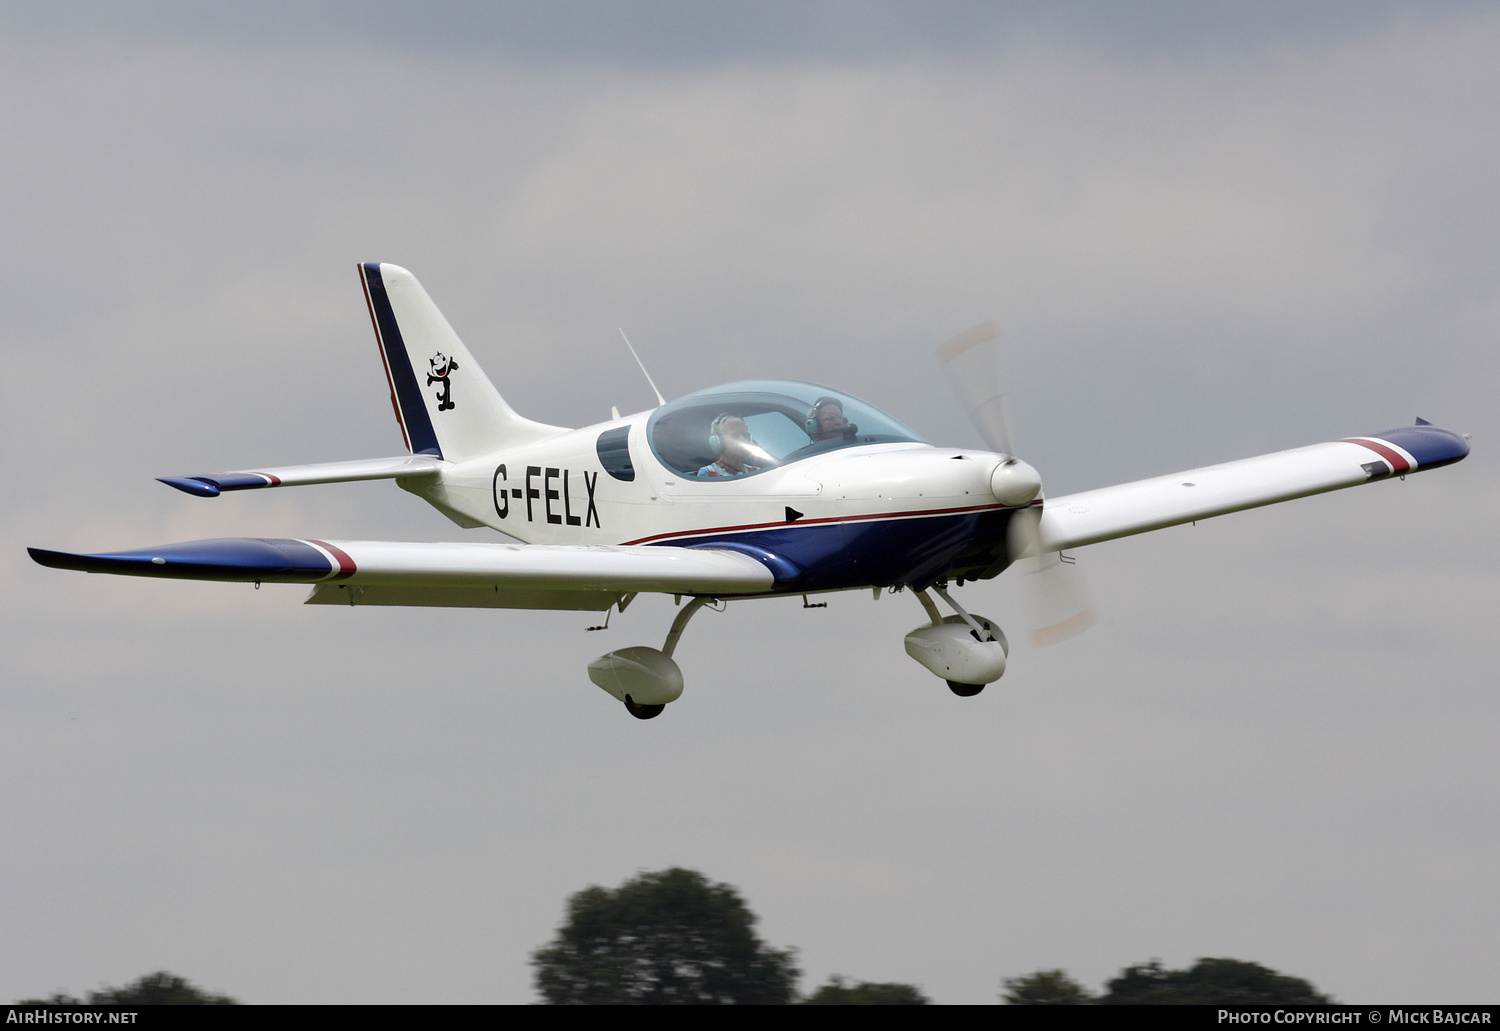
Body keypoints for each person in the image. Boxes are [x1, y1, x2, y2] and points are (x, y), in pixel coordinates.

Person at [697, 415, 762, 478]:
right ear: (718, 442)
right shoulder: (707, 474)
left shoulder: (756, 472)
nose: (743, 439)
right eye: (735, 436)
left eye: (745, 435)